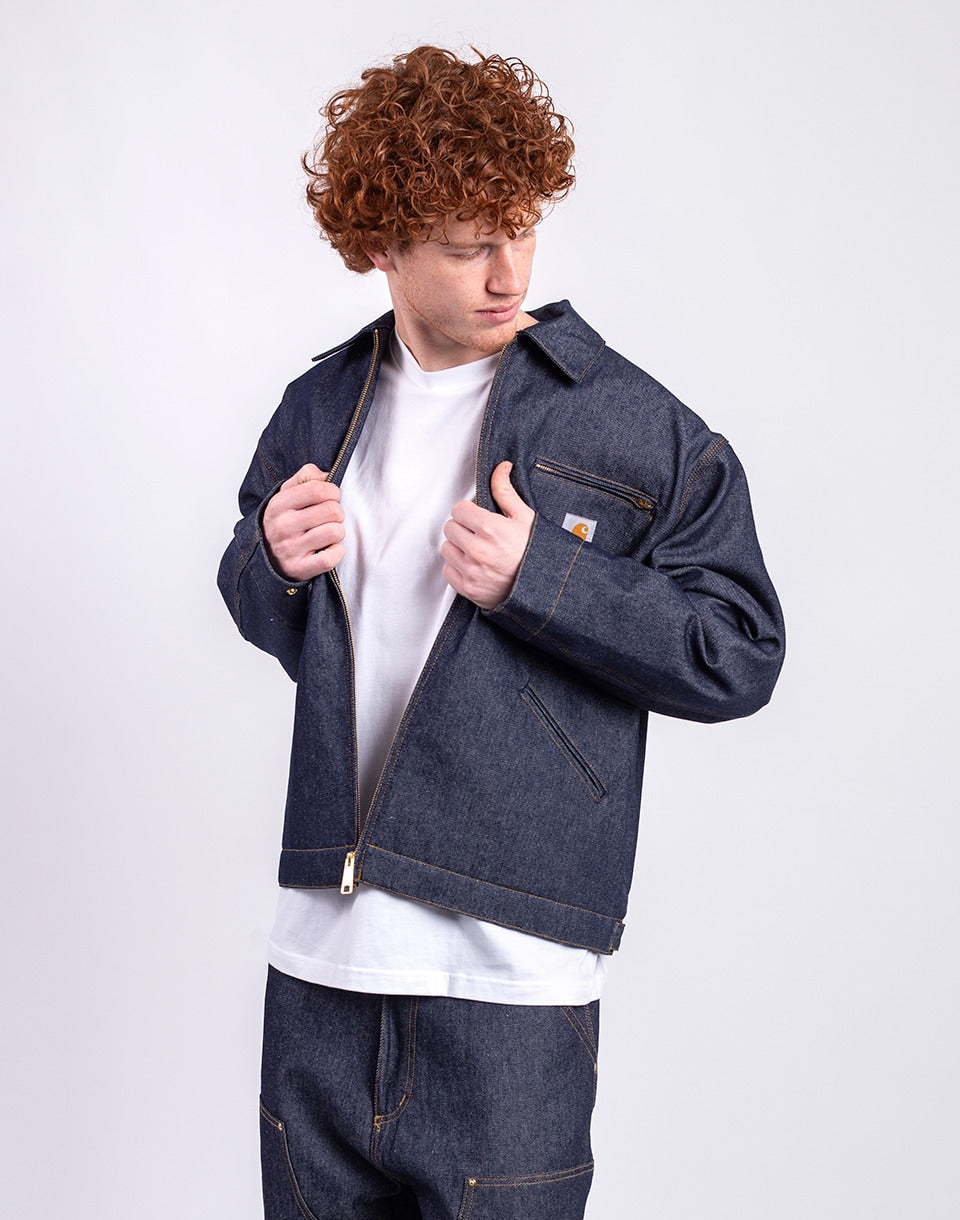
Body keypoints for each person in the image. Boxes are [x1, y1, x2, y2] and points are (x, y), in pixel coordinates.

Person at [218, 44, 784, 1220]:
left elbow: (738, 648)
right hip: (316, 976)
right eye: (471, 244)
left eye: (522, 231)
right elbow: (275, 617)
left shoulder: (630, 424)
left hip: (510, 990)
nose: (509, 272)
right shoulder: (319, 408)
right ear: (384, 246)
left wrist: (548, 580)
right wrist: (266, 558)